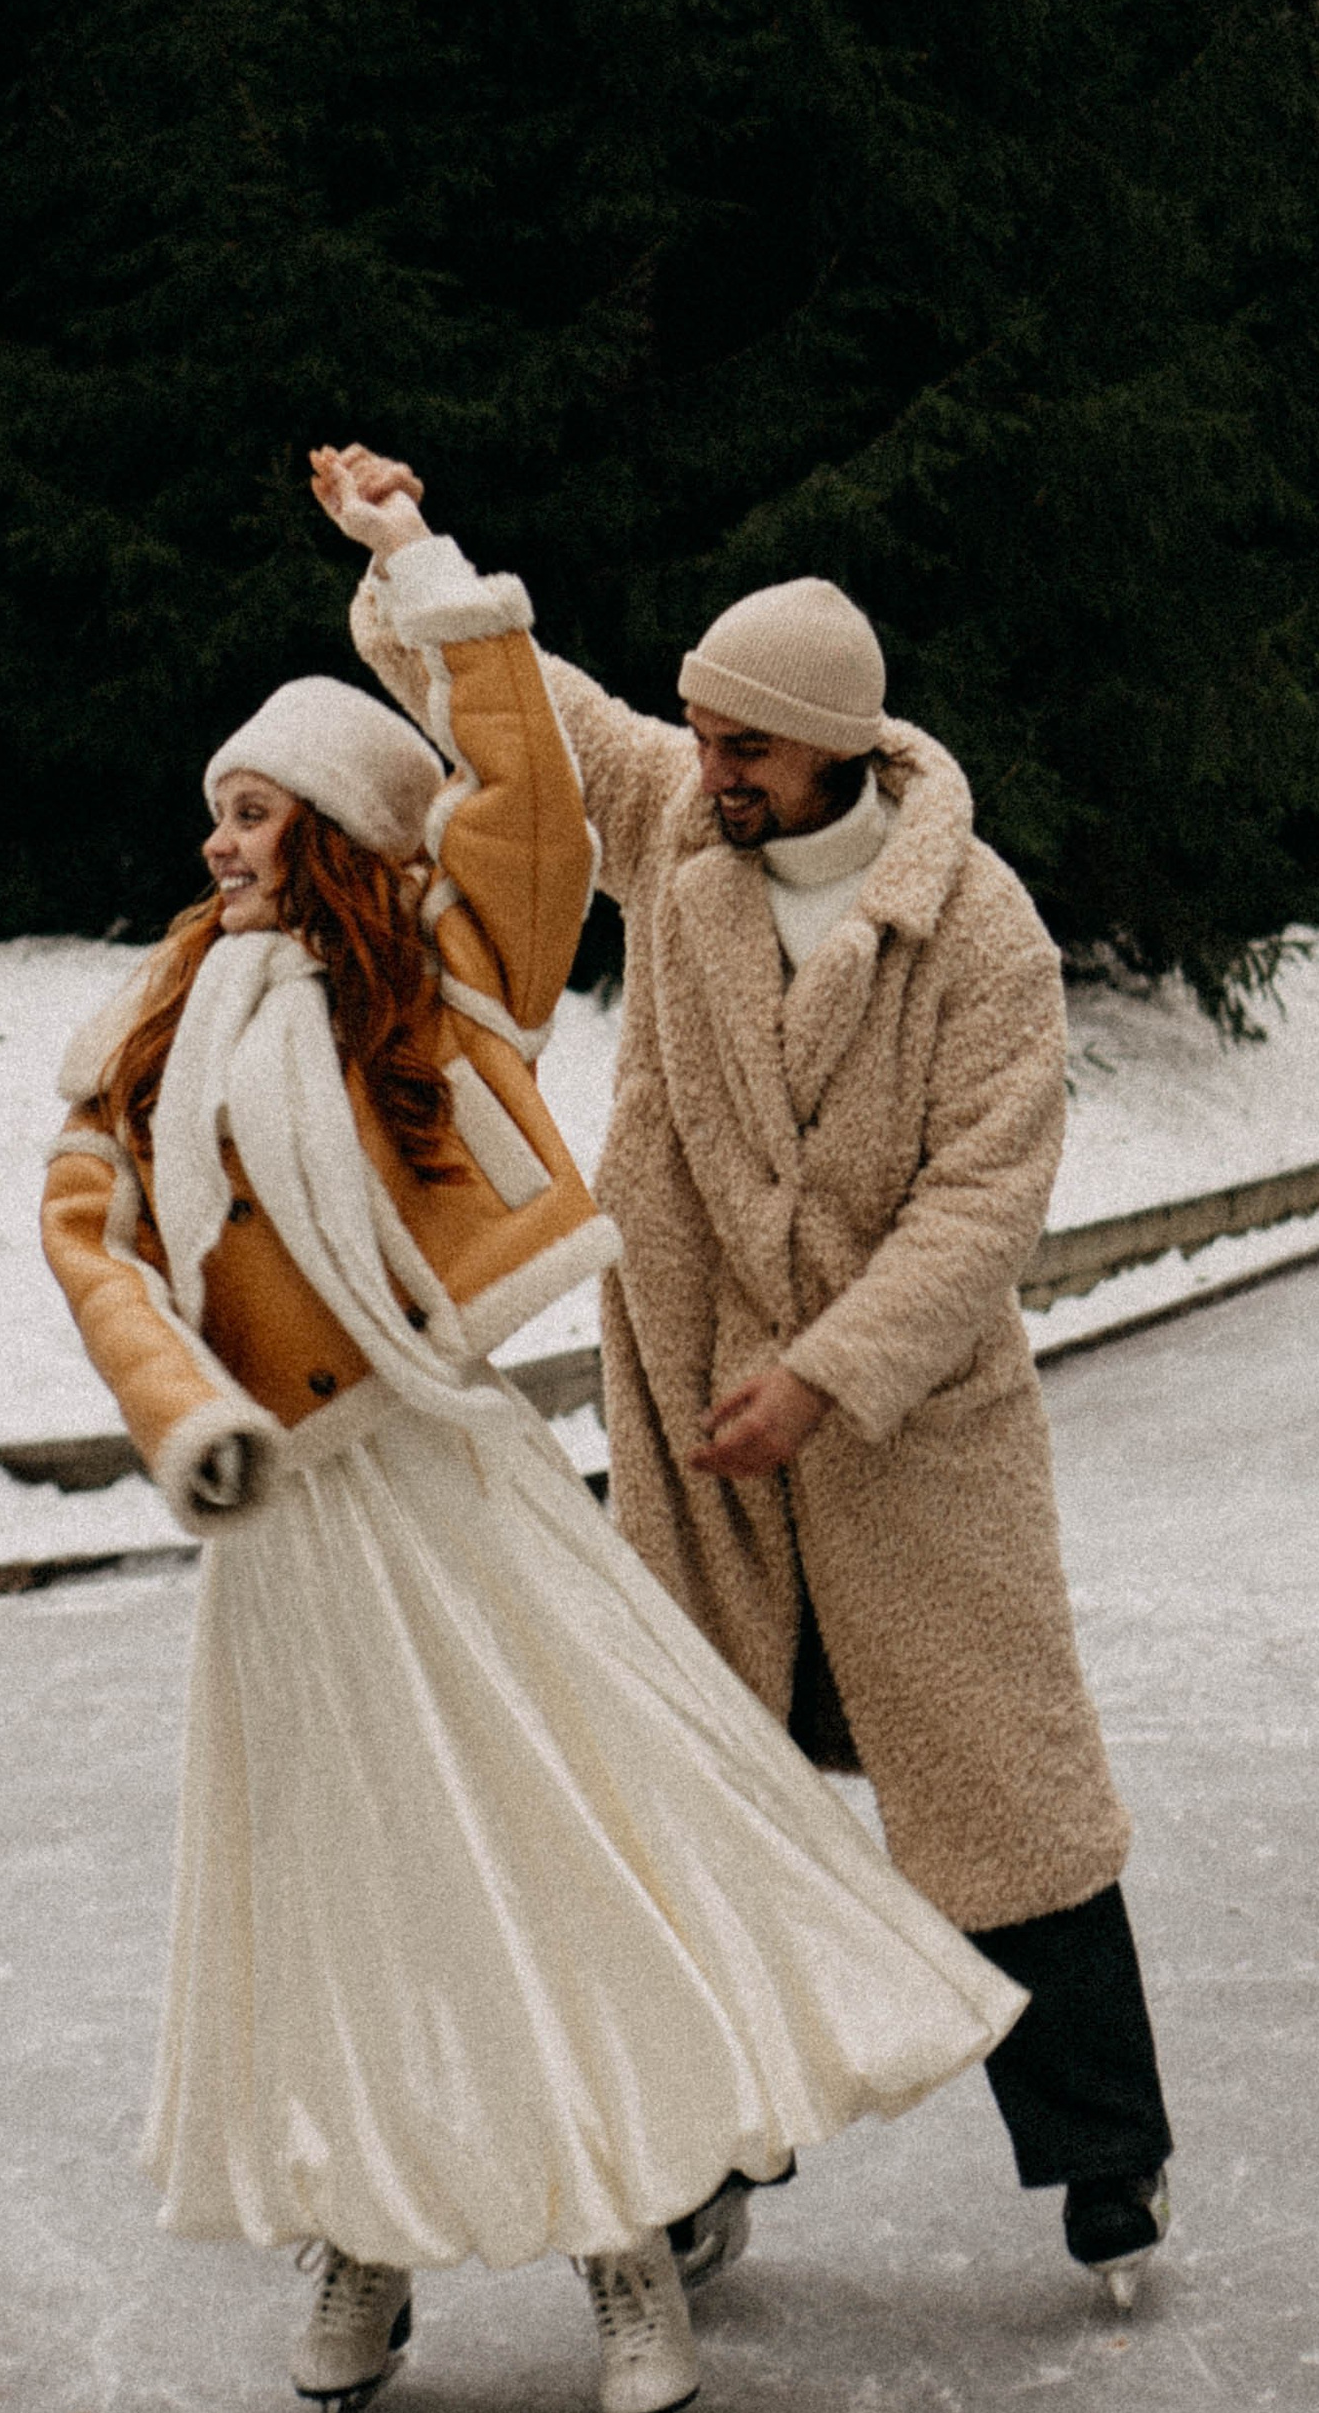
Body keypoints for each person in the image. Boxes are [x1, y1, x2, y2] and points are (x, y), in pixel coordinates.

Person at [38, 454, 1022, 2413]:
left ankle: (621, 2239)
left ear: (336, 831)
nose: (216, 834)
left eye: (254, 807)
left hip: (450, 1480)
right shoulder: (160, 1017)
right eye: (218, 804)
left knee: (550, 1856)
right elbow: (92, 1231)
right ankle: (364, 2235)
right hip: (285, 1532)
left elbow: (527, 789)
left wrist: (413, 560)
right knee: (340, 1892)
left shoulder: (442, 979)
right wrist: (185, 1414)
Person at [342, 453, 1174, 2299]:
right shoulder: (677, 830)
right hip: (698, 1421)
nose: (708, 768)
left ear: (837, 754)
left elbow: (986, 1202)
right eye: (703, 734)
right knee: (695, 1806)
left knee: (1004, 1796)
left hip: (913, 1440)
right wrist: (410, 551)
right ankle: (704, 2159)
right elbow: (525, 706)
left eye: (745, 748)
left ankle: (1109, 2160)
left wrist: (829, 1372)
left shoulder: (979, 931)